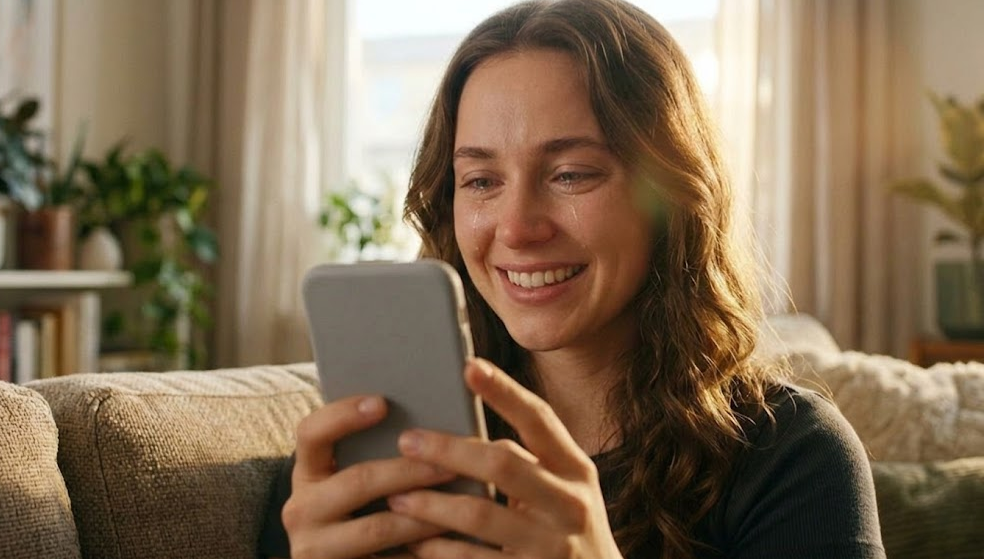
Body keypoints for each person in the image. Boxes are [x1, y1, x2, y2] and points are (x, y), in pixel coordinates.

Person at [259, 0, 886, 557]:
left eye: (571, 174)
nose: (518, 227)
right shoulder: (370, 458)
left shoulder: (794, 459)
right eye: (481, 181)